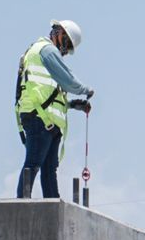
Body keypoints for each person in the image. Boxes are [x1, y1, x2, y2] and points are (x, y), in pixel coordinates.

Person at [15, 20, 94, 199]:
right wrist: (85, 90)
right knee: (33, 163)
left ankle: (52, 205)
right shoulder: (46, 50)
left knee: (49, 169)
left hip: (47, 120)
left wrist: (73, 105)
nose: (65, 51)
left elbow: (50, 95)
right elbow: (67, 79)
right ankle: (21, 204)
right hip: (39, 118)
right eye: (66, 44)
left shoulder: (43, 54)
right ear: (59, 33)